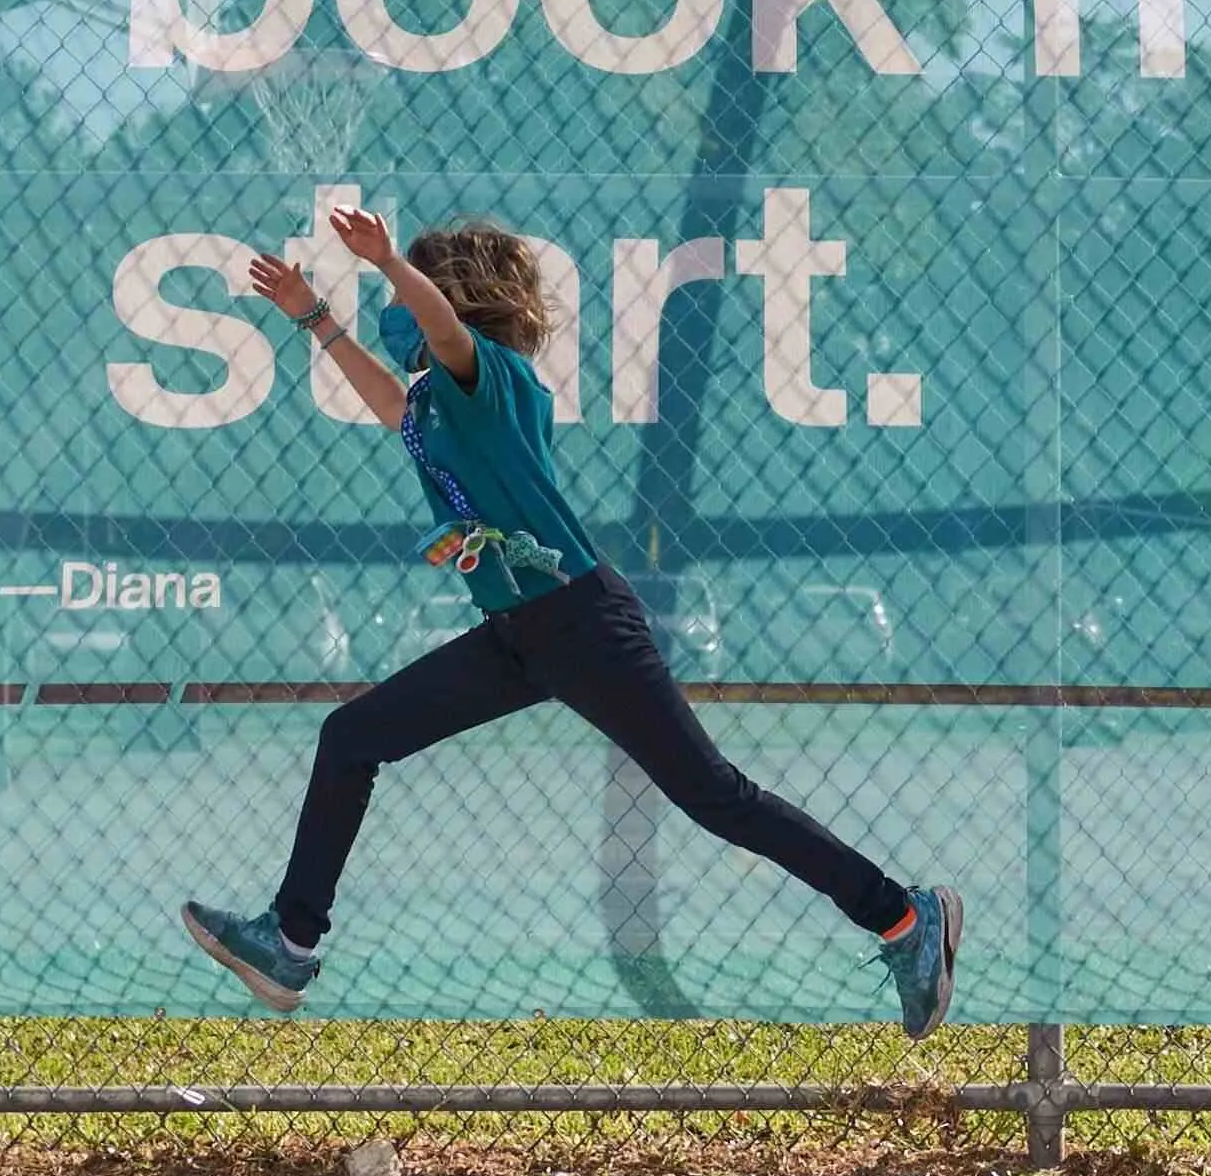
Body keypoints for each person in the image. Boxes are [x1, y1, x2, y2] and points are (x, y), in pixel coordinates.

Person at [180, 205, 957, 1035]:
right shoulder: (436, 404)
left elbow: (443, 333)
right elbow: (388, 403)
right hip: (517, 634)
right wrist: (314, 317)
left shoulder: (493, 377)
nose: (397, 307)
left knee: (716, 798)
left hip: (582, 625)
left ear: (453, 298)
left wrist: (387, 264)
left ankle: (904, 919)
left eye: (412, 291)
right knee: (351, 738)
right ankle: (290, 945)